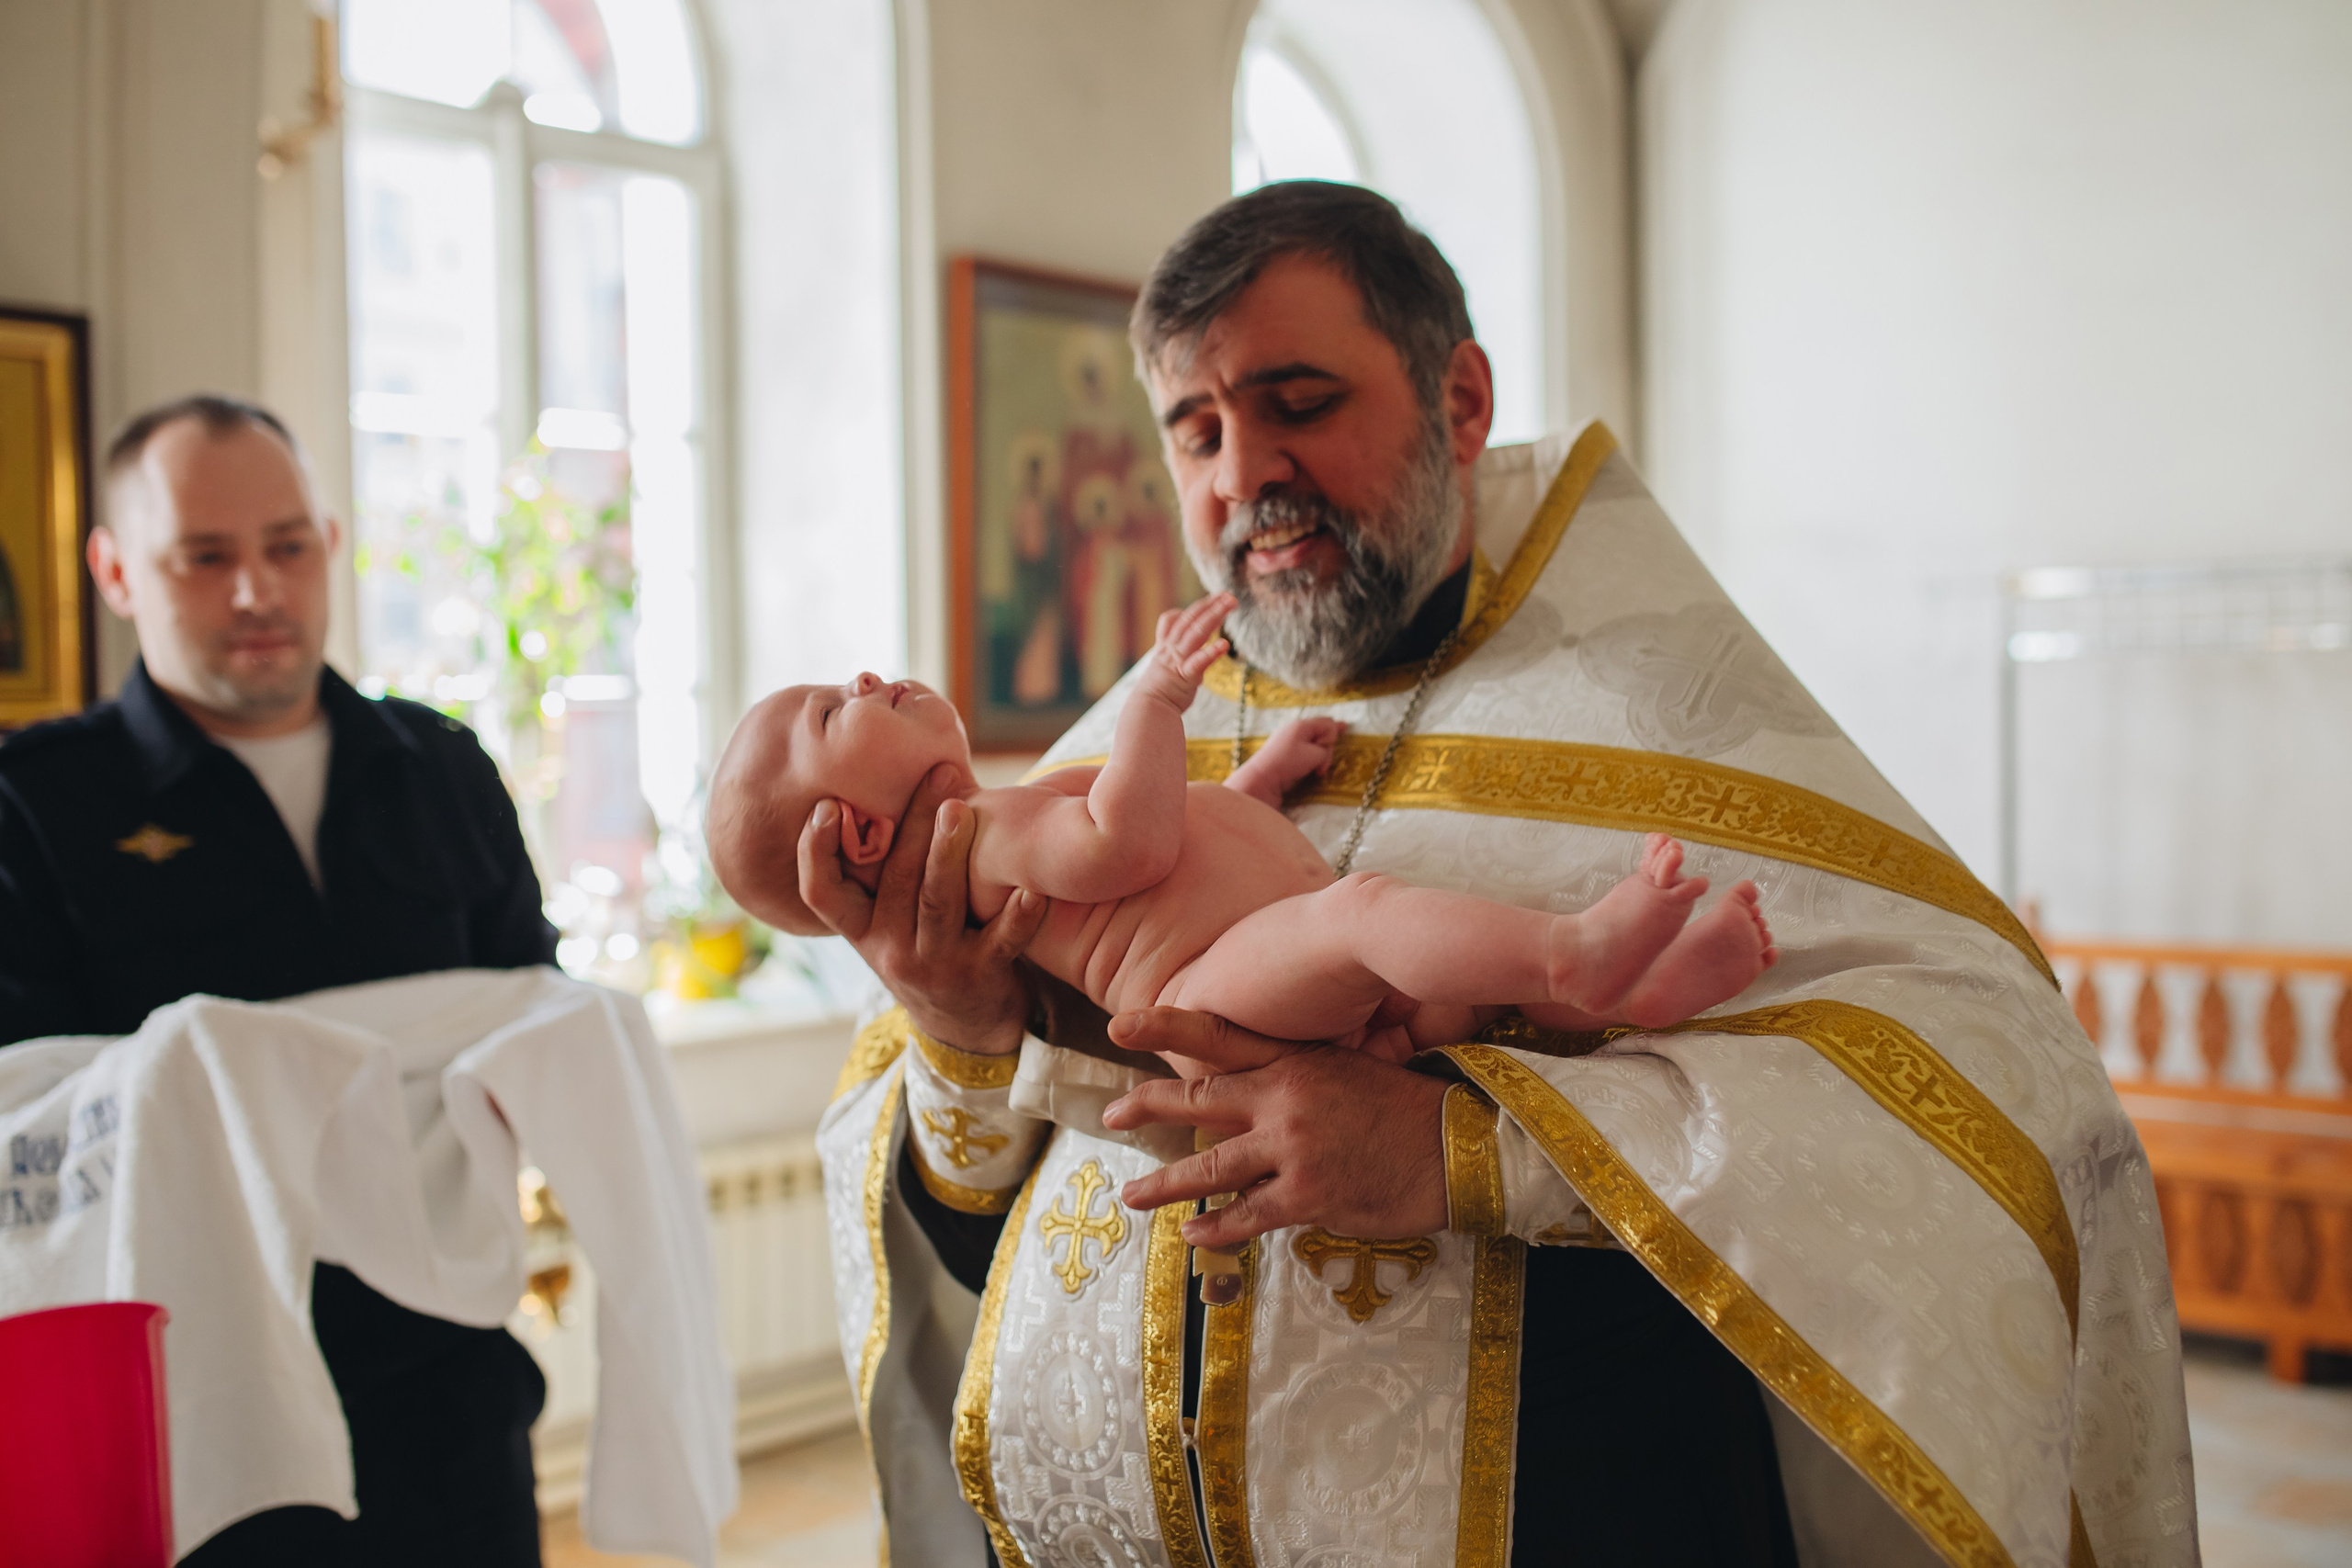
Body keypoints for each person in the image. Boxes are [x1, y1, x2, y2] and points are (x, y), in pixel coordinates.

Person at [814, 183, 2191, 1568]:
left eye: (1300, 401)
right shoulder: (1129, 747)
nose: (1245, 477)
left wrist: (1458, 1150)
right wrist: (959, 1031)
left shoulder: (1669, 716)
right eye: (1200, 431)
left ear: (1459, 400)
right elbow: (966, 1227)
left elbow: (1984, 1096)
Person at [0, 395, 556, 1566]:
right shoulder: (35, 805)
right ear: (113, 570)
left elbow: (536, 1027)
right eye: (205, 558)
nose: (257, 591)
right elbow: (31, 1116)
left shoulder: (443, 770)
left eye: (286, 547)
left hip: (450, 1391)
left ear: (332, 544)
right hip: (197, 1426)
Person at [707, 602, 1775, 1050]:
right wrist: (1157, 702)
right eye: (828, 710)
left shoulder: (1005, 807)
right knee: (1364, 916)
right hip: (1206, 994)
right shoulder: (977, 838)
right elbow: (1131, 847)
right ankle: (1578, 955)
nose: (859, 678)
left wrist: (1258, 779)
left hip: (1240, 951)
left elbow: (1184, 841)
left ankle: (1643, 996)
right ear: (853, 836)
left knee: (1444, 986)